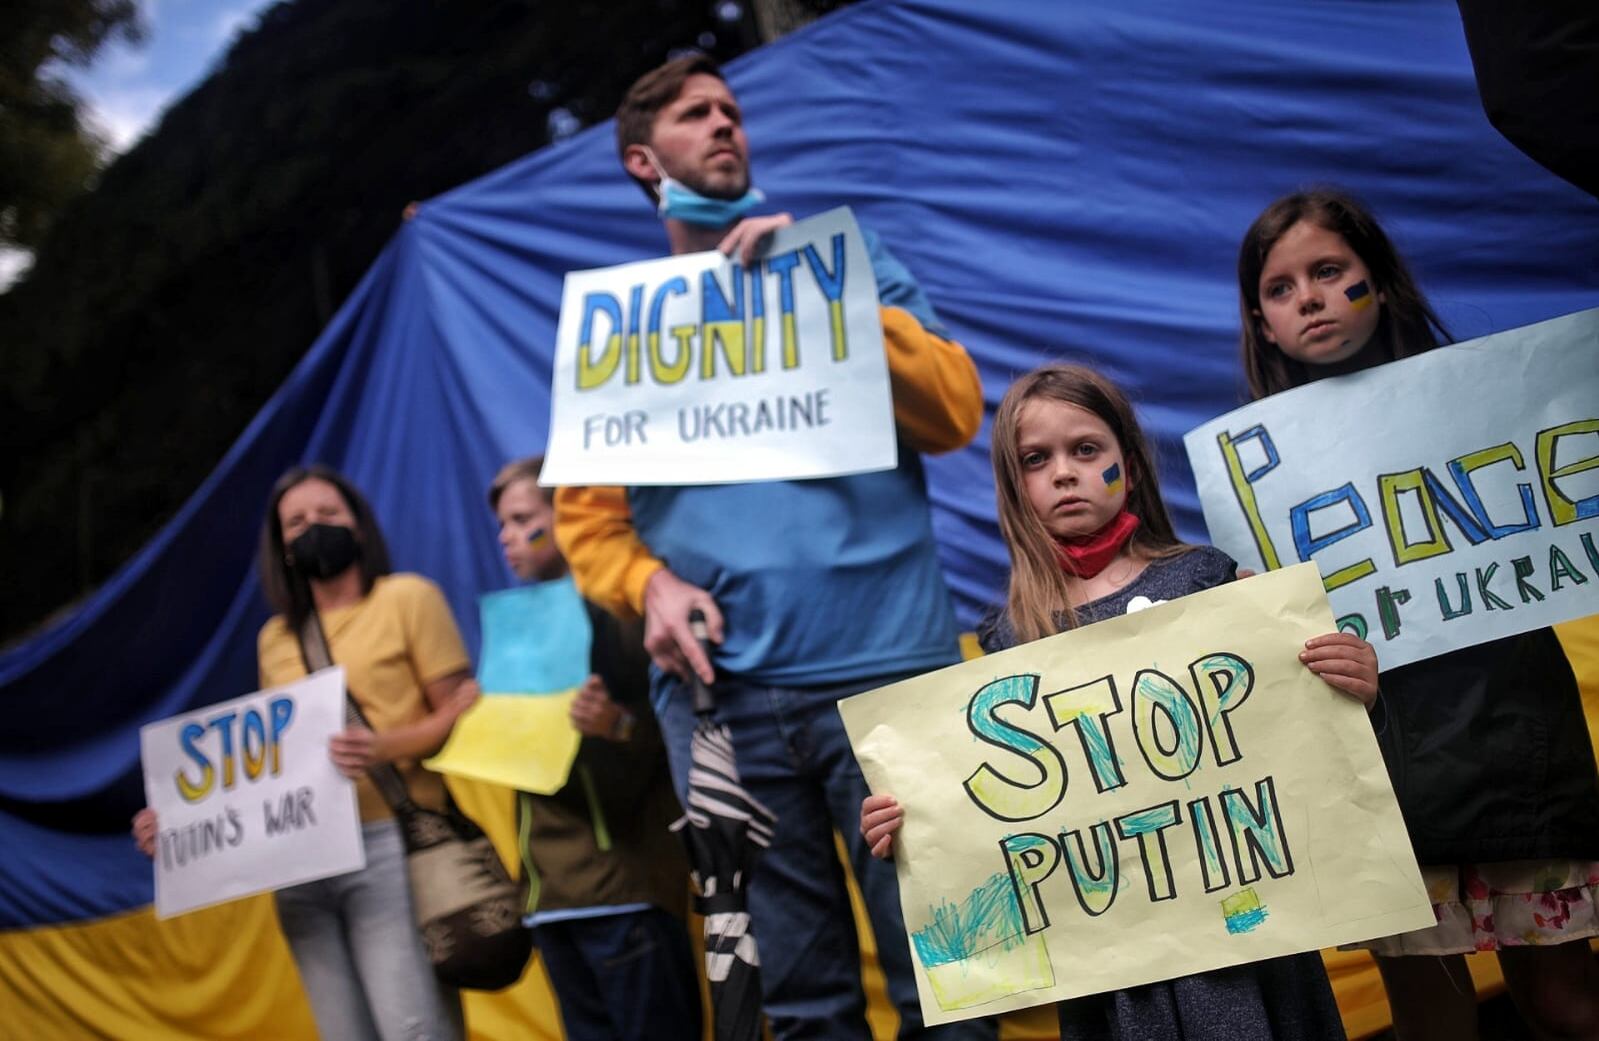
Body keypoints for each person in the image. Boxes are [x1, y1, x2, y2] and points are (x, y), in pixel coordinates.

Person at [553, 55, 992, 1040]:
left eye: (732, 111)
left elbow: (955, 411)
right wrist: (647, 588)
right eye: (694, 114)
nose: (723, 124)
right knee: (794, 1003)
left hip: (893, 676)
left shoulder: (845, 259)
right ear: (641, 160)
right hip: (721, 712)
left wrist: (820, 289)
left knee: (961, 973)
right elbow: (587, 524)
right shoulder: (619, 326)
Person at [861, 363, 1376, 1040]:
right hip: (1116, 962)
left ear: (1127, 465)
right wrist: (915, 828)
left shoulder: (1207, 581)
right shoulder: (1008, 638)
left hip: (1248, 933)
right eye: (1035, 460)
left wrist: (1352, 686)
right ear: (1013, 487)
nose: (1064, 472)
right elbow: (1008, 805)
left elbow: (1293, 748)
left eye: (1086, 450)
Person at [1235, 188, 1599, 1040]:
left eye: (1329, 272)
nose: (1311, 298)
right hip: (1381, 766)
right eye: (1282, 289)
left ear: (1380, 283)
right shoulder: (1253, 472)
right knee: (1430, 1013)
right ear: (1261, 323)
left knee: (1561, 997)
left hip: (1515, 735)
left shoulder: (1482, 408)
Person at [134, 464, 475, 1041]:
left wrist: (383, 747)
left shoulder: (408, 599)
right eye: (296, 523)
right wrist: (179, 825)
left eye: (327, 515)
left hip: (388, 845)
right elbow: (268, 765)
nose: (313, 528)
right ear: (281, 548)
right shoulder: (276, 640)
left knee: (413, 1028)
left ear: (359, 528)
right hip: (301, 866)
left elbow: (461, 711)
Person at [488, 457, 700, 1041]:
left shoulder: (629, 613)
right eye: (502, 525)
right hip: (551, 901)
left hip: (624, 894)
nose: (507, 537)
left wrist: (618, 727)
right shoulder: (515, 633)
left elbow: (675, 740)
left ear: (571, 514)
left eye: (522, 518)